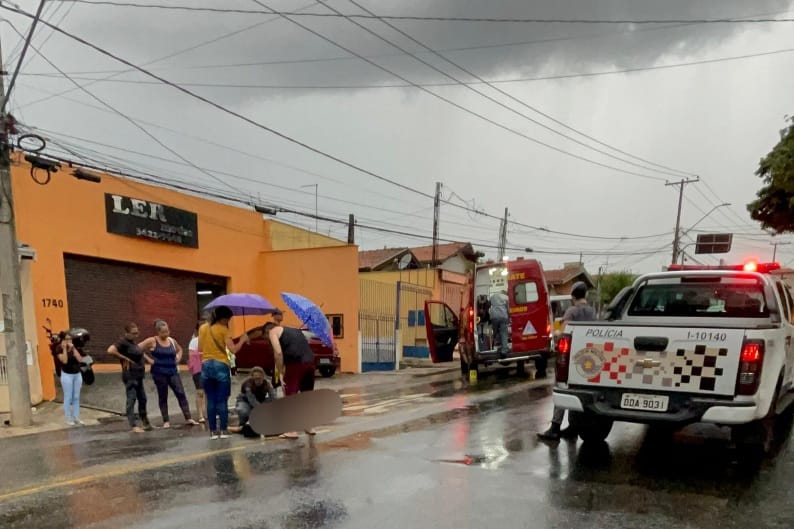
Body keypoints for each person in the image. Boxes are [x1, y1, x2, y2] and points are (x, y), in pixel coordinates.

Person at [538, 281, 597, 442]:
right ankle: (573, 426)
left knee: (563, 388)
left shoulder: (571, 312)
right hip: (587, 358)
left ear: (572, 296)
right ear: (585, 295)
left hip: (571, 357)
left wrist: (556, 333)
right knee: (577, 391)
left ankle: (555, 427)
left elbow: (564, 333)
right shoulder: (592, 312)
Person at [199, 306, 249, 440]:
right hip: (221, 365)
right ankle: (223, 430)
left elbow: (199, 348)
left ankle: (213, 431)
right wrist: (243, 340)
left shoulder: (203, 328)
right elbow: (233, 350)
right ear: (224, 318)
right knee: (221, 399)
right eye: (229, 319)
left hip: (206, 365)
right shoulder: (224, 330)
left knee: (210, 399)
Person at [140, 320, 198, 428]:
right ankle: (166, 420)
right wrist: (149, 359)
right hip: (159, 372)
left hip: (172, 371)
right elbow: (138, 348)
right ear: (158, 332)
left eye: (167, 331)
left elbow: (180, 349)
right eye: (164, 332)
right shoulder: (152, 341)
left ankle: (188, 417)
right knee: (163, 395)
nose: (166, 334)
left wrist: (179, 357)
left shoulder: (171, 340)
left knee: (180, 393)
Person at [264, 321, 315, 439]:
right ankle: (310, 426)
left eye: (266, 337)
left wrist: (280, 372)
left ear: (267, 331)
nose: (268, 340)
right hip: (310, 363)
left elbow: (278, 353)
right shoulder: (295, 331)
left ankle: (291, 430)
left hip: (295, 364)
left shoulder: (273, 331)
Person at [107, 323, 152, 433]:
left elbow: (140, 353)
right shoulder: (122, 342)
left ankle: (145, 422)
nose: (136, 335)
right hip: (130, 375)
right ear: (127, 333)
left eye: (137, 333)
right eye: (133, 333)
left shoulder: (133, 343)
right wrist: (124, 358)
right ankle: (133, 425)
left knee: (143, 399)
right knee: (131, 399)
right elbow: (110, 350)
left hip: (139, 375)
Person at [232, 366, 275, 435]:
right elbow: (252, 400)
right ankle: (242, 424)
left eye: (259, 378)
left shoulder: (267, 384)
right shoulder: (248, 384)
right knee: (244, 412)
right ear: (252, 377)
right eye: (256, 378)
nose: (258, 381)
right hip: (245, 401)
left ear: (263, 376)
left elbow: (273, 398)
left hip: (260, 401)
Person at [57, 332, 85, 426]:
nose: (69, 341)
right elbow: (64, 361)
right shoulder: (59, 349)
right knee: (68, 396)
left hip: (77, 374)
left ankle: (77, 417)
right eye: (67, 339)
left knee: (76, 397)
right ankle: (69, 418)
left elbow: (80, 360)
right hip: (66, 375)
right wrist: (65, 348)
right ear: (63, 340)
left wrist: (73, 348)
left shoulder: (74, 348)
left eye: (70, 339)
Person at [187, 322, 207, 424]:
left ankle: (206, 412)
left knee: (208, 391)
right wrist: (202, 353)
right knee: (200, 392)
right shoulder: (194, 341)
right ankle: (200, 414)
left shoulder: (210, 339)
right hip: (198, 368)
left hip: (209, 367)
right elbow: (191, 354)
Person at [489, 289, 510, 358]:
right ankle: (504, 351)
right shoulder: (506, 298)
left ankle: (497, 344)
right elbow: (508, 309)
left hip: (494, 317)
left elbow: (488, 305)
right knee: (504, 333)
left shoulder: (493, 296)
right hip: (503, 316)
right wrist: (509, 318)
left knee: (495, 331)